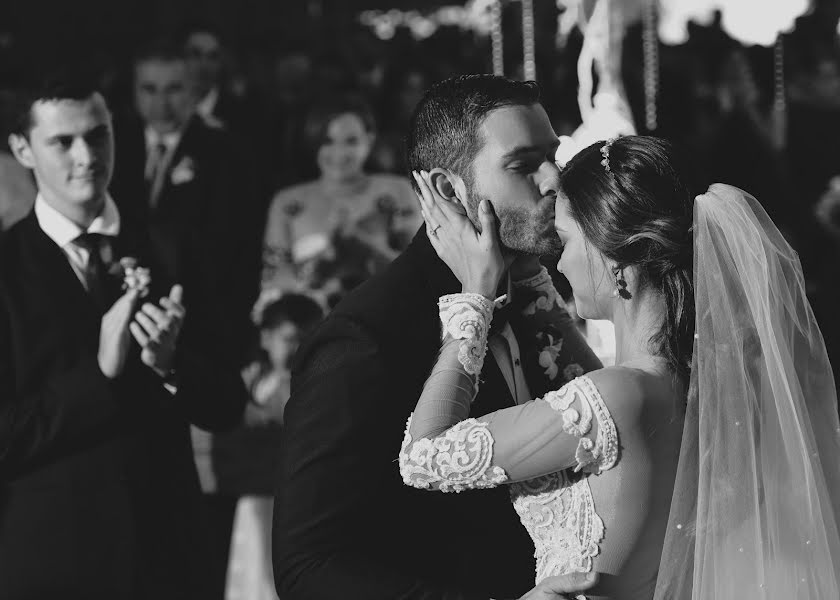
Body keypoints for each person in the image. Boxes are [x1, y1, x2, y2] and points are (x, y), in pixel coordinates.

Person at [404, 135, 840, 599]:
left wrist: (475, 294)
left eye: (566, 240)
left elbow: (422, 457)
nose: (560, 260)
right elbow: (580, 371)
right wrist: (526, 272)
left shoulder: (619, 396)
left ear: (617, 264)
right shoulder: (695, 388)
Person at [272, 74, 602, 600]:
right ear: (450, 191)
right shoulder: (366, 337)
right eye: (522, 165)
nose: (554, 181)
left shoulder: (534, 298)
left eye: (552, 157)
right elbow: (309, 567)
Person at [0, 69, 247, 598]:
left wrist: (170, 364)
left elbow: (227, 404)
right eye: (62, 142)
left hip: (170, 557)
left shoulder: (173, 247)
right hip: (50, 564)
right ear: (22, 149)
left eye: (98, 134)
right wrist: (100, 375)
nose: (87, 157)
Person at [108, 40, 262, 600]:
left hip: (203, 332)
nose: (161, 103)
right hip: (125, 333)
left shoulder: (227, 153)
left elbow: (238, 255)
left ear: (193, 90)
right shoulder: (115, 149)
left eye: (174, 89)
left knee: (199, 486)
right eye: (148, 89)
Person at [262, 93, 421, 308]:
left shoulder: (397, 190)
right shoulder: (288, 202)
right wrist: (324, 257)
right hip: (314, 327)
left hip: (385, 317)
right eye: (327, 141)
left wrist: (361, 241)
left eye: (351, 141)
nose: (339, 153)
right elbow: (272, 282)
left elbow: (420, 271)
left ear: (370, 139)